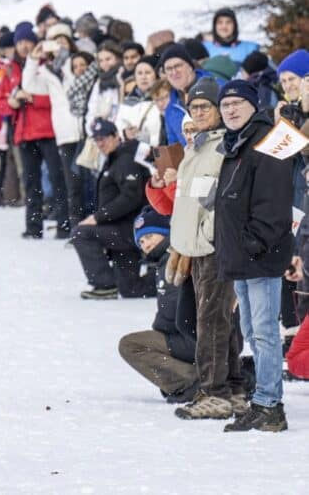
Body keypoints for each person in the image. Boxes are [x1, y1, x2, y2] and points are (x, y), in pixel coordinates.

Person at [145, 77, 248, 420]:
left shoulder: (223, 146)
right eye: (194, 107)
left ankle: (214, 392)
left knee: (212, 322)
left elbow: (221, 202)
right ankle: (232, 388)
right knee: (219, 321)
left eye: (205, 106)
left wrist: (206, 235)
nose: (199, 112)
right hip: (195, 248)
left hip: (213, 247)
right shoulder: (198, 145)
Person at [214, 81, 293, 433]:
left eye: (237, 103)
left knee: (263, 333)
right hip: (243, 258)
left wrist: (251, 243)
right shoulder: (237, 143)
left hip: (260, 256)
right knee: (251, 330)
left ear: (253, 106)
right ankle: (262, 398)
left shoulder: (268, 141)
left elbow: (274, 207)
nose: (230, 110)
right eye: (225, 104)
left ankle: (270, 405)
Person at [117, 208, 199, 402]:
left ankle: (193, 379)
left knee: (130, 345)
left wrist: (160, 331)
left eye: (150, 236)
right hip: (193, 336)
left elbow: (173, 311)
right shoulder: (165, 261)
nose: (146, 244)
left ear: (165, 232)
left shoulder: (173, 260)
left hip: (193, 338)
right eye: (142, 242)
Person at [70, 119, 154, 299]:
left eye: (105, 138)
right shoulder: (115, 158)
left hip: (127, 230)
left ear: (117, 136)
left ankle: (104, 285)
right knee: (131, 289)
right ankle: (165, 282)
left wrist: (99, 217)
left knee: (81, 233)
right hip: (119, 229)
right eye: (97, 140)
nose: (101, 144)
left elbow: (131, 197)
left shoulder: (125, 160)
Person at [12, 26, 70, 237]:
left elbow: (57, 98)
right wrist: (12, 102)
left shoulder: (51, 66)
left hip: (48, 130)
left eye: (28, 42)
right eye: (19, 43)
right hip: (25, 131)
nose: (24, 46)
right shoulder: (10, 68)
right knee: (30, 181)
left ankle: (64, 224)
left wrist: (32, 99)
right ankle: (33, 225)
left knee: (57, 178)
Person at [159, 44, 217, 146]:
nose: (174, 72)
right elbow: (174, 147)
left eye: (178, 66)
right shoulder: (171, 109)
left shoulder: (216, 87)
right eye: (169, 68)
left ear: (190, 67)